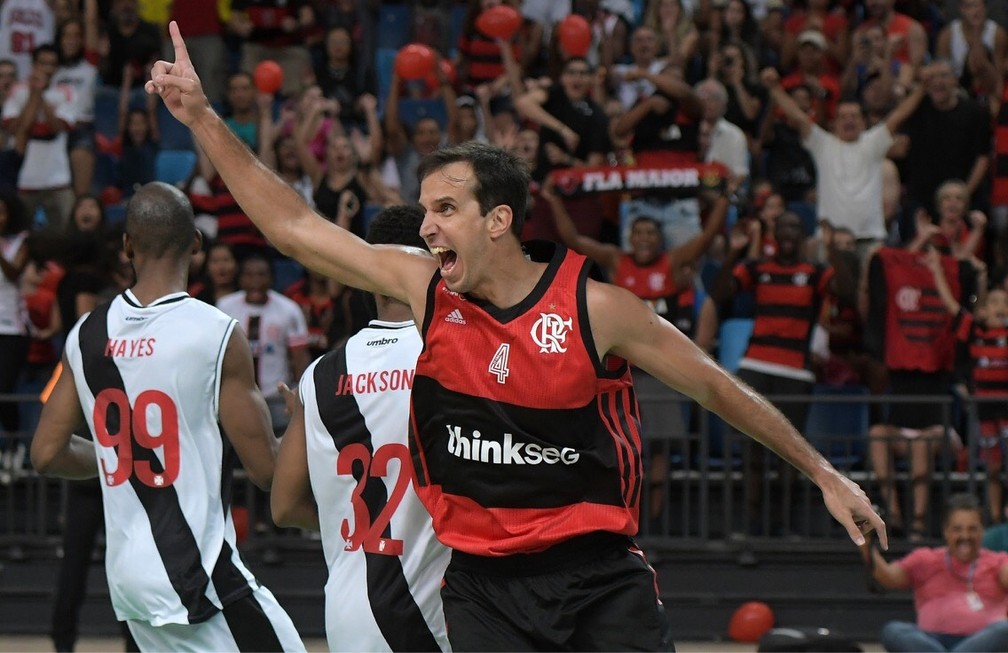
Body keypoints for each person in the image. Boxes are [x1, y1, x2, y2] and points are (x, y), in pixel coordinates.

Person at [147, 22, 886, 650]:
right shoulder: (428, 290)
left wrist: (824, 471)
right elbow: (295, 227)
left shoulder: (599, 309)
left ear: (498, 220)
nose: (427, 226)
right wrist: (203, 118)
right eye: (424, 210)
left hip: (597, 575)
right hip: (481, 585)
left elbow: (717, 387)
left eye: (445, 208)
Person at [30, 181, 306, 652]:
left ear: (127, 246)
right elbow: (267, 472)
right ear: (196, 244)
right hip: (197, 573)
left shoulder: (86, 332)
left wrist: (117, 458)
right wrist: (302, 423)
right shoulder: (216, 332)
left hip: (130, 582)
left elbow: (46, 453)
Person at [271, 205, 451, 652]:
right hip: (430, 614)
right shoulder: (447, 358)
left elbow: (283, 506)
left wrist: (348, 526)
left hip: (347, 613)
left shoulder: (318, 374)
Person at [860, 493, 1008, 652]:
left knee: (1004, 629)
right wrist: (865, 543)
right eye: (957, 529)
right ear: (946, 531)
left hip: (983, 641)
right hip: (928, 641)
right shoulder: (926, 559)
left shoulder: (998, 561)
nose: (965, 536)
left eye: (972, 529)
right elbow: (888, 577)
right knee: (893, 630)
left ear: (982, 532)